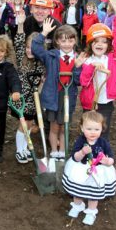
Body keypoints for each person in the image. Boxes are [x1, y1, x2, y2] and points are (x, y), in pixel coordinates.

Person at [32, 19, 85, 160]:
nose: (67, 44)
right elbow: (35, 48)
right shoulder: (51, 56)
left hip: (69, 97)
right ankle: (54, 152)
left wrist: (78, 67)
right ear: (57, 42)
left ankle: (62, 152)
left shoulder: (77, 59)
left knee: (64, 126)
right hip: (53, 96)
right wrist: (43, 33)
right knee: (55, 126)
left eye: (70, 41)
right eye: (63, 41)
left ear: (75, 42)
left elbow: (79, 81)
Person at [62, 111, 116, 226]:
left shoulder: (103, 142)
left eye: (97, 129)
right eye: (89, 129)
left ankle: (91, 212)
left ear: (102, 129)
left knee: (94, 194)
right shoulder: (80, 141)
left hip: (98, 172)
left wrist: (107, 161)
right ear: (82, 128)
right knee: (78, 191)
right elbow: (75, 158)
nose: (93, 132)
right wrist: (82, 152)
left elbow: (111, 158)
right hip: (81, 169)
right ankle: (77, 205)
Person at [79, 3, 116, 140]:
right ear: (90, 44)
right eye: (96, 41)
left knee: (103, 132)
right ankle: (88, 156)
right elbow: (83, 81)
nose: (100, 44)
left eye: (104, 42)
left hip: (105, 103)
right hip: (90, 103)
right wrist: (92, 66)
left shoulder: (112, 57)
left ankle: (101, 156)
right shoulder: (87, 60)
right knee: (88, 132)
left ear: (109, 44)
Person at [11, 11, 45, 163]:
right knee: (23, 124)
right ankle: (20, 150)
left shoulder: (41, 62)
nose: (29, 50)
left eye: (33, 48)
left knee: (30, 125)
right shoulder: (21, 58)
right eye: (27, 47)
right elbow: (18, 41)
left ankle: (26, 148)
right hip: (22, 99)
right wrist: (20, 24)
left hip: (34, 100)